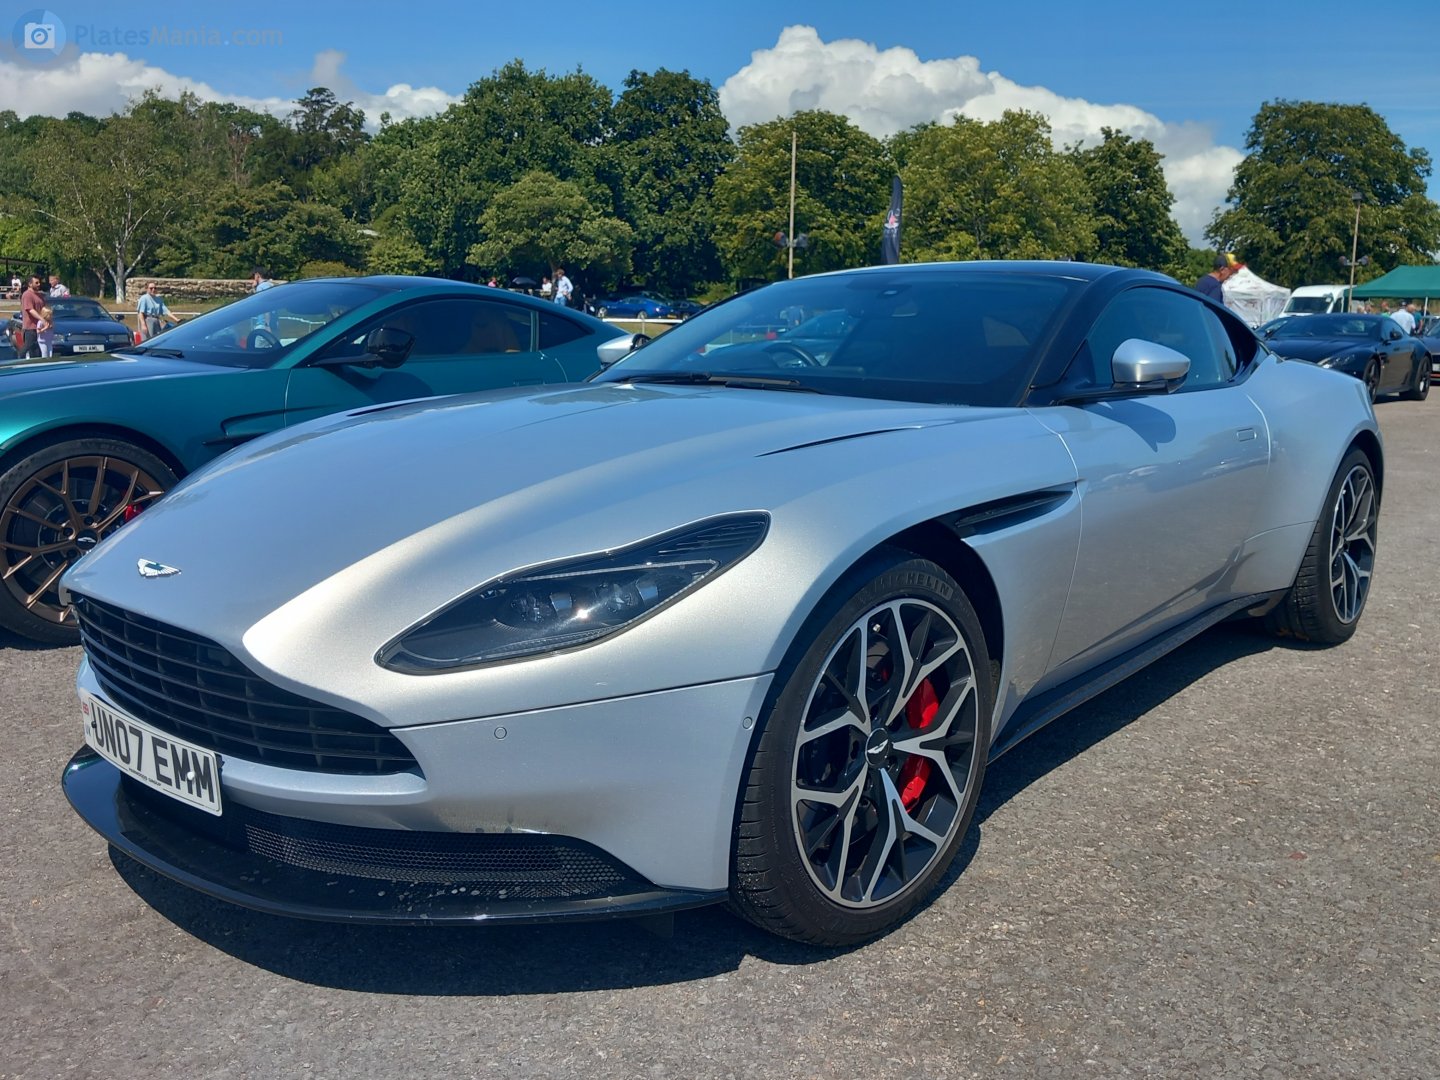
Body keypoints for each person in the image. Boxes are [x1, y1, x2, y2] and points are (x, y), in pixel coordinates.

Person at [19, 275, 45, 358]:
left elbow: (44, 309)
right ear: (30, 284)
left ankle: (36, 364)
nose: (39, 284)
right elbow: (30, 310)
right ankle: (17, 362)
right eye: (36, 283)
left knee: (37, 351)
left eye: (39, 282)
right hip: (30, 328)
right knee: (28, 346)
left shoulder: (40, 295)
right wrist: (41, 319)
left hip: (40, 327)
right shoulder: (27, 295)